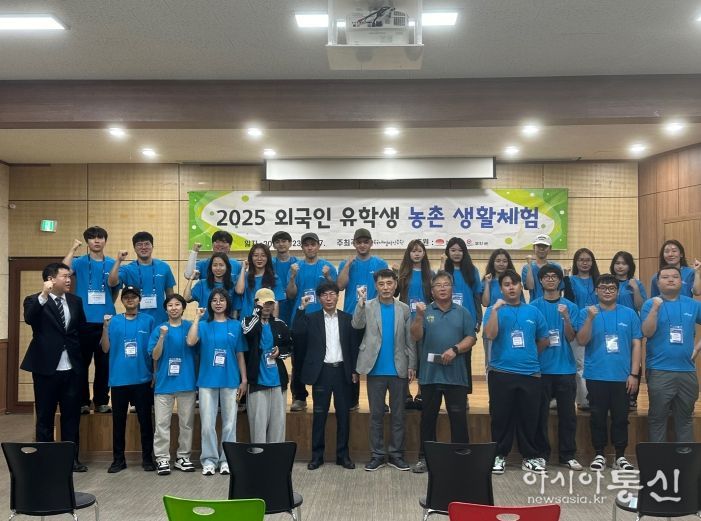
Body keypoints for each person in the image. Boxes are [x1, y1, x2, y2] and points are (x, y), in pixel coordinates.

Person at [21, 262, 88, 472]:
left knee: (71, 417)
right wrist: (44, 295)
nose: (69, 280)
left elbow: (81, 330)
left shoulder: (75, 301)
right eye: (64, 276)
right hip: (46, 368)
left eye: (69, 276)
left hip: (72, 368)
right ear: (51, 279)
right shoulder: (34, 300)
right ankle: (45, 461)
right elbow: (29, 318)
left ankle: (71, 460)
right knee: (45, 417)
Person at [483, 269, 549, 474]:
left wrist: (529, 354)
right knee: (500, 417)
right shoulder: (494, 310)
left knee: (529, 417)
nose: (511, 287)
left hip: (530, 373)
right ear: (501, 289)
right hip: (501, 372)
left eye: (514, 283)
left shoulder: (533, 311)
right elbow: (490, 335)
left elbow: (543, 340)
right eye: (506, 284)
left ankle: (529, 456)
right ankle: (498, 455)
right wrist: (495, 311)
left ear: (521, 287)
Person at [410, 271, 477, 474]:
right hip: (430, 376)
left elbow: (471, 338)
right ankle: (425, 458)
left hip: (456, 377)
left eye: (446, 284)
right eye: (438, 285)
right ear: (432, 291)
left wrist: (455, 349)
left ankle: (461, 457)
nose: (442, 288)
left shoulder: (463, 312)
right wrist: (419, 316)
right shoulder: (424, 311)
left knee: (458, 418)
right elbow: (415, 335)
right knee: (428, 419)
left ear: (452, 288)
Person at [576, 273, 641, 472]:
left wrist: (634, 374)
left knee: (621, 417)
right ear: (596, 291)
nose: (607, 291)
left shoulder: (629, 314)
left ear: (617, 291)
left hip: (622, 376)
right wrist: (590, 318)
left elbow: (636, 344)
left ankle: (620, 456)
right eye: (603, 288)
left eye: (611, 288)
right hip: (596, 374)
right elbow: (581, 340)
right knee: (598, 416)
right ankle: (599, 454)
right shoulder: (586, 312)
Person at [352, 269, 416, 472]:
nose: (386, 287)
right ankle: (378, 455)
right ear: (376, 286)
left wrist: (412, 365)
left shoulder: (404, 309)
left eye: (389, 283)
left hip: (398, 369)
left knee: (398, 415)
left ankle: (396, 455)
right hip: (375, 370)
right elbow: (356, 324)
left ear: (395, 284)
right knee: (376, 416)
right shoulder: (368, 305)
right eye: (381, 284)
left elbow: (410, 340)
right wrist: (360, 303)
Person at [292, 281, 358, 470]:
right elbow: (297, 333)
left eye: (332, 294)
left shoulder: (347, 318)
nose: (329, 298)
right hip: (321, 373)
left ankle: (343, 456)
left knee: (343, 416)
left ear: (338, 296)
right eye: (324, 295)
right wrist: (301, 309)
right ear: (319, 298)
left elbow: (353, 347)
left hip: (342, 372)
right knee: (319, 415)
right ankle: (317, 456)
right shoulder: (311, 318)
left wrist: (354, 370)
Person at [187, 288, 247, 475]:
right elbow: (190, 341)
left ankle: (227, 460)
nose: (218, 303)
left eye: (222, 300)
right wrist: (197, 318)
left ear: (227, 303)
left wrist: (244, 379)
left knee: (230, 424)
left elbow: (240, 354)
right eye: (214, 300)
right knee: (207, 424)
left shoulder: (236, 325)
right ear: (209, 304)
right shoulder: (203, 325)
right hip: (207, 380)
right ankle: (209, 460)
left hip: (230, 379)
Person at [530, 266, 582, 471]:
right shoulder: (533, 307)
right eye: (546, 276)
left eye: (554, 277)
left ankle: (567, 455)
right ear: (541, 281)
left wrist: (566, 318)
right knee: (539, 415)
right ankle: (541, 454)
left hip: (565, 369)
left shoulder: (570, 306)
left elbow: (571, 337)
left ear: (560, 281)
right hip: (541, 369)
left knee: (568, 416)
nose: (550, 279)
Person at [641, 265, 701, 442]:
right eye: (665, 277)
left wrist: (698, 348)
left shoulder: (693, 304)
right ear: (658, 282)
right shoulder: (650, 304)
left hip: (687, 371)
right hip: (659, 370)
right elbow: (647, 332)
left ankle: (685, 458)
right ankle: (658, 458)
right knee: (657, 419)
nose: (670, 280)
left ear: (681, 281)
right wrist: (655, 309)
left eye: (675, 276)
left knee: (685, 420)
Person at [101, 285, 156, 473]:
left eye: (134, 296)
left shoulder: (149, 321)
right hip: (119, 380)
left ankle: (147, 459)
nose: (130, 299)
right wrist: (104, 327)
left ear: (139, 299)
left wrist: (155, 374)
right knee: (118, 423)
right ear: (122, 300)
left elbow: (154, 351)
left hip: (142, 379)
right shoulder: (114, 321)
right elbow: (105, 348)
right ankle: (118, 460)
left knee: (145, 422)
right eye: (126, 297)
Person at [62, 226, 116, 415]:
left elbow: (115, 289)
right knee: (81, 364)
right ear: (87, 242)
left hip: (106, 322)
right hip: (82, 321)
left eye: (100, 237)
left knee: (104, 364)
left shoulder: (112, 263)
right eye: (92, 238)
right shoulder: (79, 262)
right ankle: (83, 401)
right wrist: (73, 248)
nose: (96, 241)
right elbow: (64, 271)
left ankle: (101, 401)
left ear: (105, 240)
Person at [338, 228, 389, 410]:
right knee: (352, 360)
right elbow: (340, 286)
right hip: (351, 318)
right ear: (354, 244)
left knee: (377, 359)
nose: (362, 245)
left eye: (365, 242)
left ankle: (379, 402)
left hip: (374, 318)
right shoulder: (346, 263)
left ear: (371, 243)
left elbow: (385, 288)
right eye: (358, 242)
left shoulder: (380, 263)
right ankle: (352, 401)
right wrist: (347, 266)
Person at [287, 232, 338, 412]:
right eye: (306, 245)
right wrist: (292, 277)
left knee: (322, 358)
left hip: (322, 320)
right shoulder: (296, 267)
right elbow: (291, 294)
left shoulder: (327, 266)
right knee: (298, 360)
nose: (310, 247)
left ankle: (321, 397)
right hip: (301, 319)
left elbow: (335, 291)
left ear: (318, 246)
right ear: (302, 247)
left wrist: (328, 277)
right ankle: (299, 397)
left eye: (313, 244)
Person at [148, 294, 197, 476]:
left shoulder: (190, 326)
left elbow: (194, 344)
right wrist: (162, 337)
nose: (174, 308)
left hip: (186, 382)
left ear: (183, 308)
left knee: (186, 423)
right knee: (162, 423)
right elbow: (154, 355)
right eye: (170, 305)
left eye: (177, 304)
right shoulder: (159, 329)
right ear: (166, 309)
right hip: (164, 384)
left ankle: (183, 457)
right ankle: (162, 459)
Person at [242, 288, 293, 443]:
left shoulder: (280, 324)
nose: (267, 306)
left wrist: (280, 352)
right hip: (257, 381)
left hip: (278, 381)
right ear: (256, 303)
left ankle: (275, 455)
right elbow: (248, 332)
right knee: (258, 424)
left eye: (270, 303)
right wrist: (257, 312)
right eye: (263, 303)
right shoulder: (248, 321)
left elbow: (289, 346)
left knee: (278, 424)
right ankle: (259, 455)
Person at [442, 237, 482, 406]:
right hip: (447, 320)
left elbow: (477, 296)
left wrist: (478, 319)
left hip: (467, 321)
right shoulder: (444, 270)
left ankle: (463, 396)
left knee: (465, 360)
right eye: (453, 250)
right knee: (447, 358)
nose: (457, 253)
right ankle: (446, 395)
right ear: (448, 252)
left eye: (460, 250)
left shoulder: (472, 270)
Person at [109, 231, 176, 325]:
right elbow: (112, 283)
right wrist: (119, 260)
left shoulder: (164, 267)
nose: (143, 247)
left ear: (152, 246)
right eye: (139, 244)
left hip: (161, 320)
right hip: (135, 320)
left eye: (147, 244)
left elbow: (170, 294)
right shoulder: (127, 269)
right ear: (134, 248)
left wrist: (172, 317)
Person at [396, 239, 433, 409]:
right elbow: (394, 294)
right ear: (408, 254)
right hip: (404, 320)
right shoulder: (403, 273)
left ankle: (420, 393)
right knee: (405, 357)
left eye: (419, 251)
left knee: (423, 358)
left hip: (424, 321)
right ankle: (405, 394)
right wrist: (395, 275)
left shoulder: (430, 274)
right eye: (413, 251)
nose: (416, 254)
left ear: (424, 253)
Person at [564, 248, 600, 411]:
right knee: (580, 365)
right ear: (576, 262)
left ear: (592, 262)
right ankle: (584, 400)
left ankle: (598, 397)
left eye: (588, 260)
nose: (584, 263)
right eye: (581, 260)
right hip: (578, 326)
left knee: (597, 361)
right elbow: (569, 303)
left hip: (598, 325)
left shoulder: (598, 280)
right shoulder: (570, 280)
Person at [610, 250, 647, 410]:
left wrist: (635, 289)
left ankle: (632, 397)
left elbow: (640, 306)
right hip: (611, 326)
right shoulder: (609, 282)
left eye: (624, 263)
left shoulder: (636, 283)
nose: (620, 266)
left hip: (631, 326)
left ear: (630, 266)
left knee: (634, 360)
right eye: (617, 263)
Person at [184, 230, 243, 314]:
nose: (220, 245)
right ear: (212, 244)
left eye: (224, 242)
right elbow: (189, 275)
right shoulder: (203, 265)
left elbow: (239, 291)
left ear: (230, 246)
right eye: (217, 241)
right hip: (206, 313)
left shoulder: (237, 265)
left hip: (227, 315)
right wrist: (194, 252)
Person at [236, 243, 285, 319]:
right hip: (247, 319)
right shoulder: (244, 276)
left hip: (265, 320)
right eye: (255, 255)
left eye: (263, 255)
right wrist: (243, 268)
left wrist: (273, 323)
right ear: (251, 258)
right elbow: (239, 291)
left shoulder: (274, 278)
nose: (259, 259)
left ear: (268, 258)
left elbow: (276, 303)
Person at [183, 252, 236, 318]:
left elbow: (236, 308)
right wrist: (191, 278)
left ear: (227, 267)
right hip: (204, 323)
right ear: (211, 267)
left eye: (221, 265)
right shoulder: (202, 284)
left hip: (225, 323)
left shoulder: (232, 284)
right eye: (215, 265)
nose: (218, 268)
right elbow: (186, 298)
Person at [522, 234, 562, 302]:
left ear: (550, 248)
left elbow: (559, 289)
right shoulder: (527, 268)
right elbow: (530, 287)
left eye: (545, 246)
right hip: (534, 305)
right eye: (538, 246)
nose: (541, 248)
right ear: (533, 247)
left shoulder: (556, 267)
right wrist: (529, 265)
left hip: (553, 304)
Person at [271, 230, 298, 325]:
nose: (281, 244)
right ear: (274, 245)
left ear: (290, 243)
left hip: (294, 305)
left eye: (284, 241)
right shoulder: (269, 264)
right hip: (275, 306)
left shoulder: (298, 264)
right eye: (277, 242)